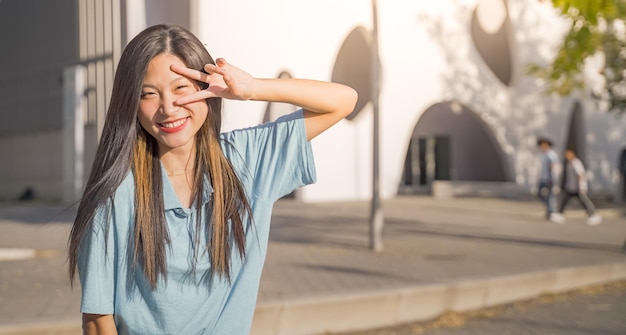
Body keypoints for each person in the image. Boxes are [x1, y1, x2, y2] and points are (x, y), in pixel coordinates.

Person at [67, 24, 357, 335]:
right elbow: (98, 321)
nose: (168, 108)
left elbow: (343, 100)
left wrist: (251, 89)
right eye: (149, 94)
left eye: (181, 88)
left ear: (206, 87)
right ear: (131, 104)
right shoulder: (116, 192)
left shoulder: (247, 160)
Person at [558, 149, 602, 225]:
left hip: (578, 187)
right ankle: (560, 213)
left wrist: (580, 186)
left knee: (584, 200)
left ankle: (593, 214)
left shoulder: (576, 162)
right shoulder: (570, 163)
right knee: (565, 200)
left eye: (568, 154)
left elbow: (580, 174)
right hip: (571, 187)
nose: (566, 156)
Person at [536, 137, 564, 223]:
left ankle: (551, 211)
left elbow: (553, 166)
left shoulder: (551, 155)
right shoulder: (544, 155)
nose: (542, 148)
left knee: (551, 196)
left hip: (549, 179)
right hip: (543, 178)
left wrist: (554, 179)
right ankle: (550, 209)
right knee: (540, 194)